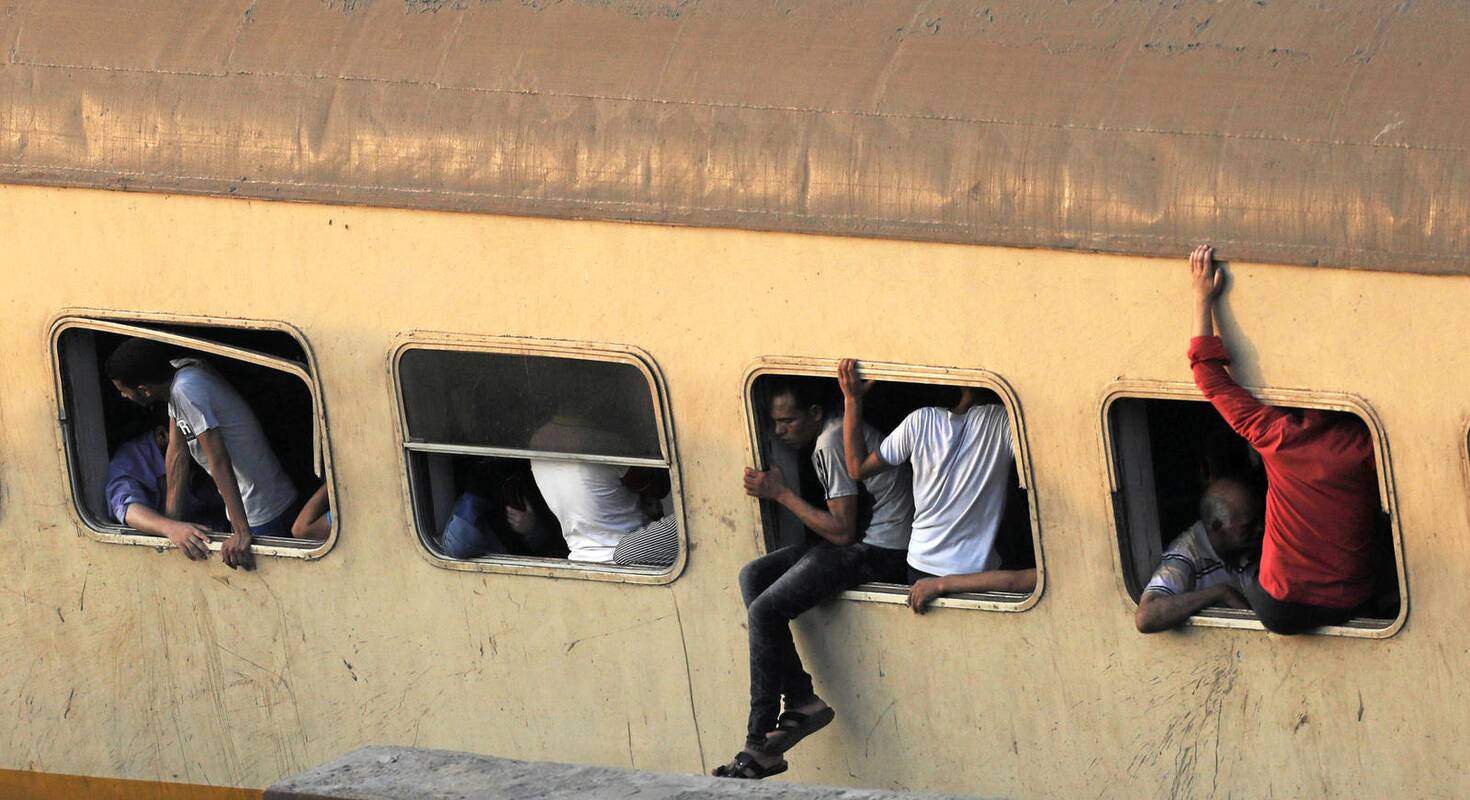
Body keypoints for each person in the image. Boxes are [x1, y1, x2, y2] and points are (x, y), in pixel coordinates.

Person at [713, 379, 915, 780]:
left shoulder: (830, 441)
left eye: (788, 421)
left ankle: (758, 743)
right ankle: (801, 698)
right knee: (754, 575)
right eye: (775, 423)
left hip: (883, 550)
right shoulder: (832, 430)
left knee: (765, 611)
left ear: (815, 413)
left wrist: (781, 493)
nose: (779, 432)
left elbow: (841, 531)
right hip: (862, 540)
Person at [1188, 244, 1381, 633]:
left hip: (1283, 607)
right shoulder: (1366, 446)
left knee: (1254, 573)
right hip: (1353, 599)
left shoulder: (1276, 435)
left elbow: (1208, 376)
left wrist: (1201, 298)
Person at [839, 360, 1037, 614]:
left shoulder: (919, 421)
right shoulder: (1004, 423)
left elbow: (857, 469)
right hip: (978, 574)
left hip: (920, 567)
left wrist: (852, 400)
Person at [105, 338, 299, 569]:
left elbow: (218, 460)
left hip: (261, 510)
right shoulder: (179, 376)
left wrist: (241, 531)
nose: (123, 397)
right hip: (260, 503)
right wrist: (171, 526)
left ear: (144, 391)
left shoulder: (186, 390)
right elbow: (177, 454)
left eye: (123, 391)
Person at [528, 402, 677, 565]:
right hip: (634, 556)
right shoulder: (605, 443)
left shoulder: (538, 438)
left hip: (581, 558)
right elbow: (659, 487)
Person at [1135, 477, 1264, 633]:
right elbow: (1147, 616)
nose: (1260, 529)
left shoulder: (1249, 545)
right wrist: (1219, 593)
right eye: (1248, 527)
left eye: (1260, 520)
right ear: (1217, 527)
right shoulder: (1186, 554)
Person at [105, 423, 220, 542]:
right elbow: (128, 509)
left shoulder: (202, 459)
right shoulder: (132, 458)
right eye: (190, 442)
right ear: (162, 435)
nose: (198, 449)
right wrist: (170, 527)